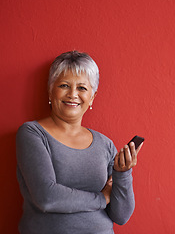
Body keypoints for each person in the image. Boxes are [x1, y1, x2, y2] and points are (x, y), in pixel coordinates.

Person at [16, 50, 142, 234]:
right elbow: (47, 197)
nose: (73, 94)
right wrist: (101, 198)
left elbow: (121, 216)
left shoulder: (105, 144)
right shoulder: (32, 133)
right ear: (50, 91)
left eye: (82, 88)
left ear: (92, 97)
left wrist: (123, 173)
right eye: (64, 85)